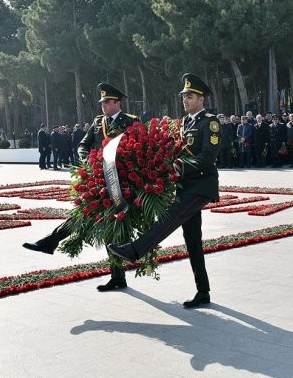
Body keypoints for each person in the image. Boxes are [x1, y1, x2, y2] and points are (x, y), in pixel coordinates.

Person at [108, 73, 220, 308]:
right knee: (192, 240)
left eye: (190, 96)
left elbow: (208, 158)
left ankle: (135, 250)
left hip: (201, 185)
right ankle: (203, 291)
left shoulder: (210, 122)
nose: (185, 100)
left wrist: (177, 166)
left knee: (170, 218)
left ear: (202, 99)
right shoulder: (185, 123)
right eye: (183, 96)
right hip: (185, 185)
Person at [23, 83, 139, 291]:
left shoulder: (130, 121)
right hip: (99, 179)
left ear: (117, 103)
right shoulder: (97, 122)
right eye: (102, 102)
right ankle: (51, 242)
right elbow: (84, 145)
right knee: (84, 216)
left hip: (121, 182)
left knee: (109, 227)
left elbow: (139, 148)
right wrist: (88, 160)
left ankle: (116, 276)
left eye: (107, 102)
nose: (103, 106)